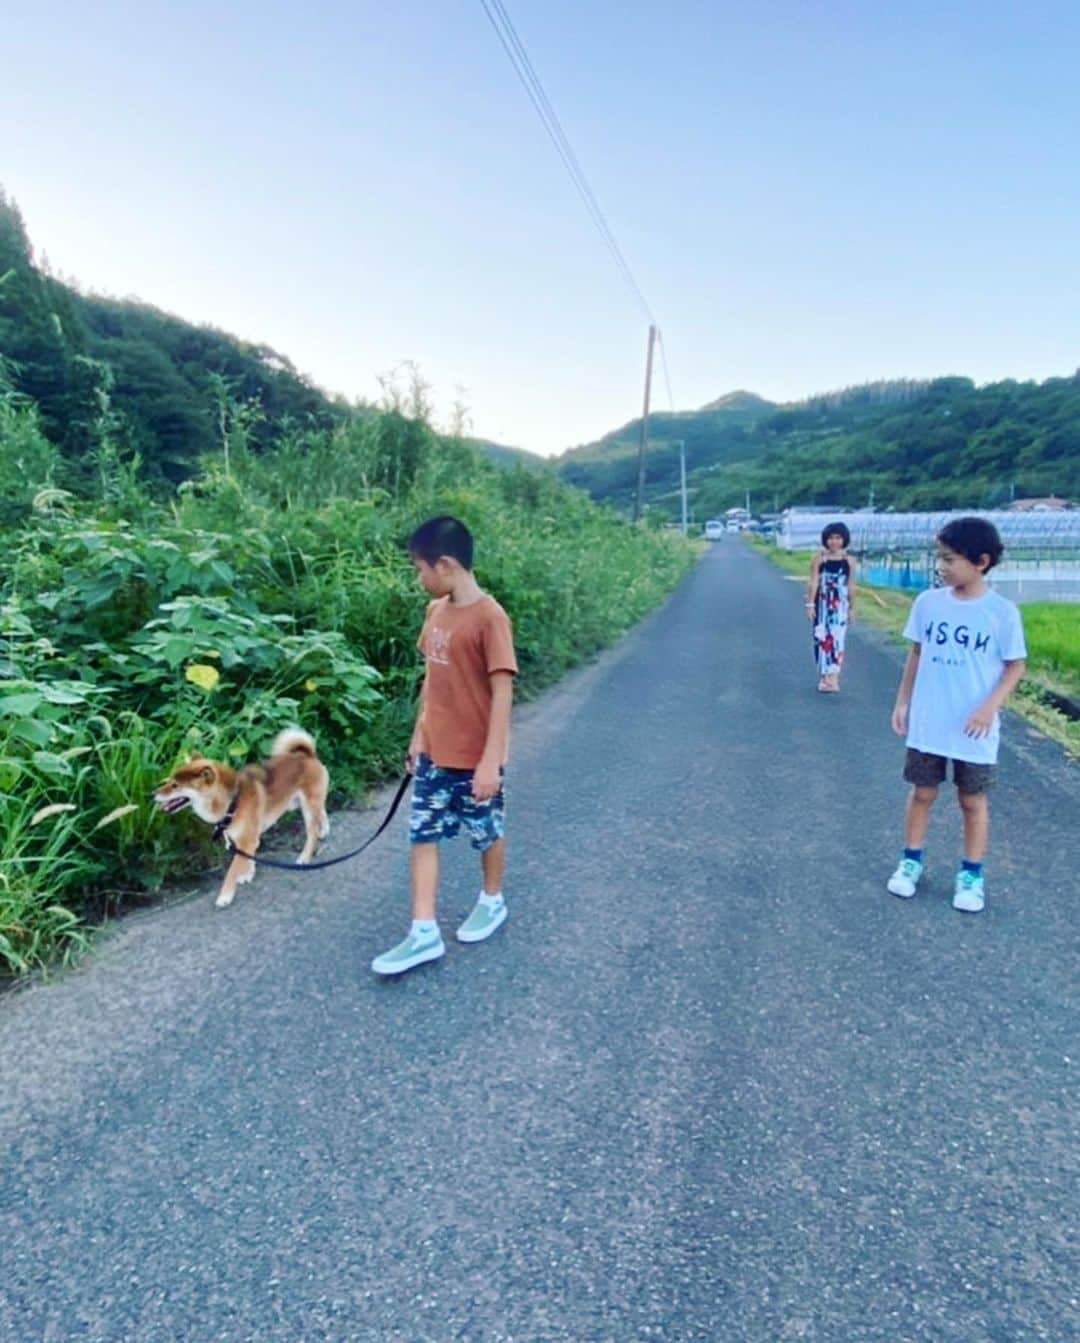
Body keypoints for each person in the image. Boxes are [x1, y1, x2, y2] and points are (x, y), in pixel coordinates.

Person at [372, 516, 518, 976]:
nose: (419, 579)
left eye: (421, 569)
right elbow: (433, 681)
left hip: (475, 759)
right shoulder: (436, 613)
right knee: (423, 834)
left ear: (447, 565)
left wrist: (491, 762)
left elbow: (502, 693)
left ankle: (492, 901)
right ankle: (423, 932)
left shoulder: (490, 619)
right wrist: (420, 733)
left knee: (486, 832)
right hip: (435, 753)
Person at [887, 517, 1027, 913]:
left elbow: (1015, 665)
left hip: (974, 728)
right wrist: (903, 702)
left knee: (972, 800)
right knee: (922, 792)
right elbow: (916, 653)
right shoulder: (928, 603)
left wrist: (988, 708)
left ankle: (971, 875)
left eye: (949, 559)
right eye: (939, 558)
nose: (941, 567)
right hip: (930, 719)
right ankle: (910, 861)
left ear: (981, 561)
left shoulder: (1001, 612)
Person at [807, 522, 856, 693]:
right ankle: (823, 676)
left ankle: (833, 678)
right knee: (821, 639)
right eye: (831, 538)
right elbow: (813, 582)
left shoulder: (849, 561)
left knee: (837, 640)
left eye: (838, 538)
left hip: (840, 607)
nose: (834, 542)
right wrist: (810, 604)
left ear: (844, 540)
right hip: (822, 605)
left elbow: (851, 585)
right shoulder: (819, 559)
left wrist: (852, 608)